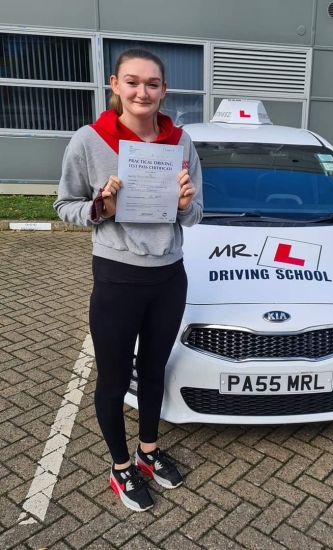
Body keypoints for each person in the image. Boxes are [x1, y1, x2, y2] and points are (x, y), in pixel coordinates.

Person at [54, 48, 203, 512]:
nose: (143, 92)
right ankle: (120, 467)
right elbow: (64, 206)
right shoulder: (89, 140)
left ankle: (148, 452)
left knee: (154, 371)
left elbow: (197, 216)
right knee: (114, 378)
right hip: (117, 278)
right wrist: (102, 208)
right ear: (115, 86)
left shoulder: (181, 143)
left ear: (164, 91)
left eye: (153, 84)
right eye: (133, 82)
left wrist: (184, 206)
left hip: (169, 277)